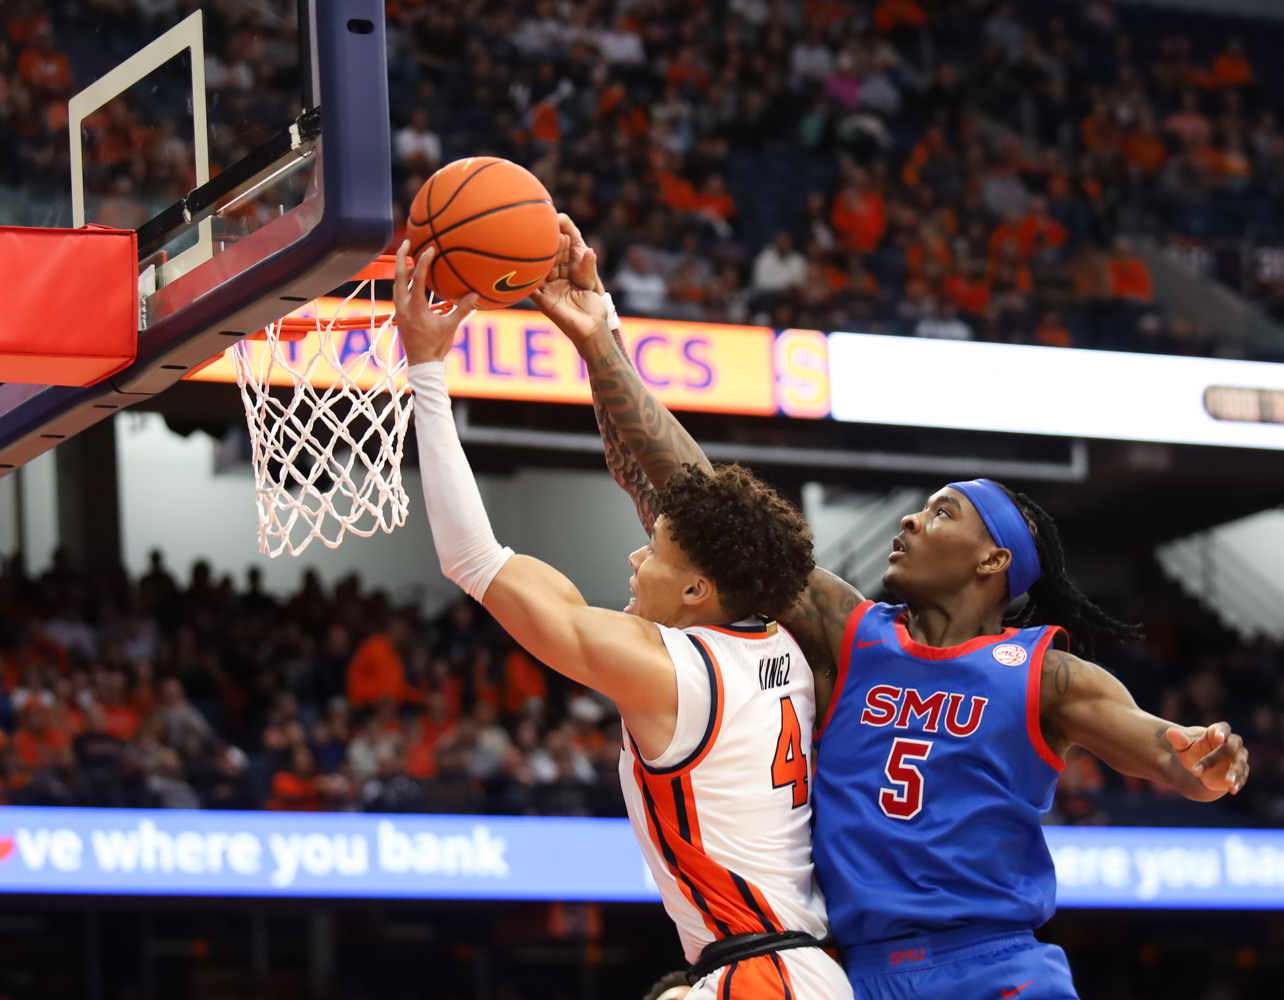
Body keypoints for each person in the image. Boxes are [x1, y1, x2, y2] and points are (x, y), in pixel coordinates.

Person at [530, 214, 1250, 1000]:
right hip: (854, 976)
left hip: (995, 967)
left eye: (942, 513)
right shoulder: (851, 630)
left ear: (993, 560)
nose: (911, 519)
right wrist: (601, 343)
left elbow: (1162, 750)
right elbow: (703, 502)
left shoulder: (1048, 676)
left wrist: (1199, 756)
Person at [394, 243, 849, 1000]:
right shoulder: (784, 640)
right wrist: (597, 332)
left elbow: (475, 561)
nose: (637, 559)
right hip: (805, 970)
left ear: (700, 589)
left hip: (764, 977)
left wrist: (427, 371)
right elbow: (646, 474)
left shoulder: (671, 668)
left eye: (656, 552)